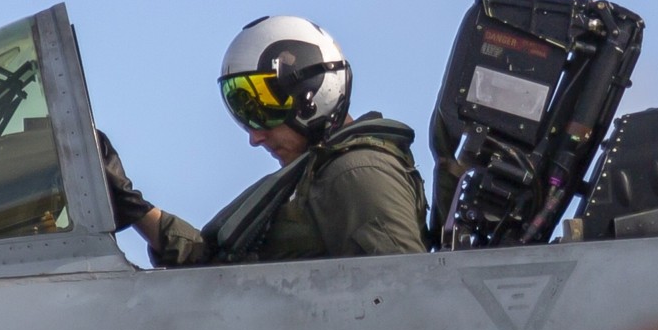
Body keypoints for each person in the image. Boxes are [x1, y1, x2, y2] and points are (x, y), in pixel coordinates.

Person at [97, 15, 428, 265]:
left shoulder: (357, 173)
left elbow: (409, 301)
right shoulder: (310, 178)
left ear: (313, 96)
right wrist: (134, 208)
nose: (255, 137)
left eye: (264, 112)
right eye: (245, 116)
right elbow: (217, 267)